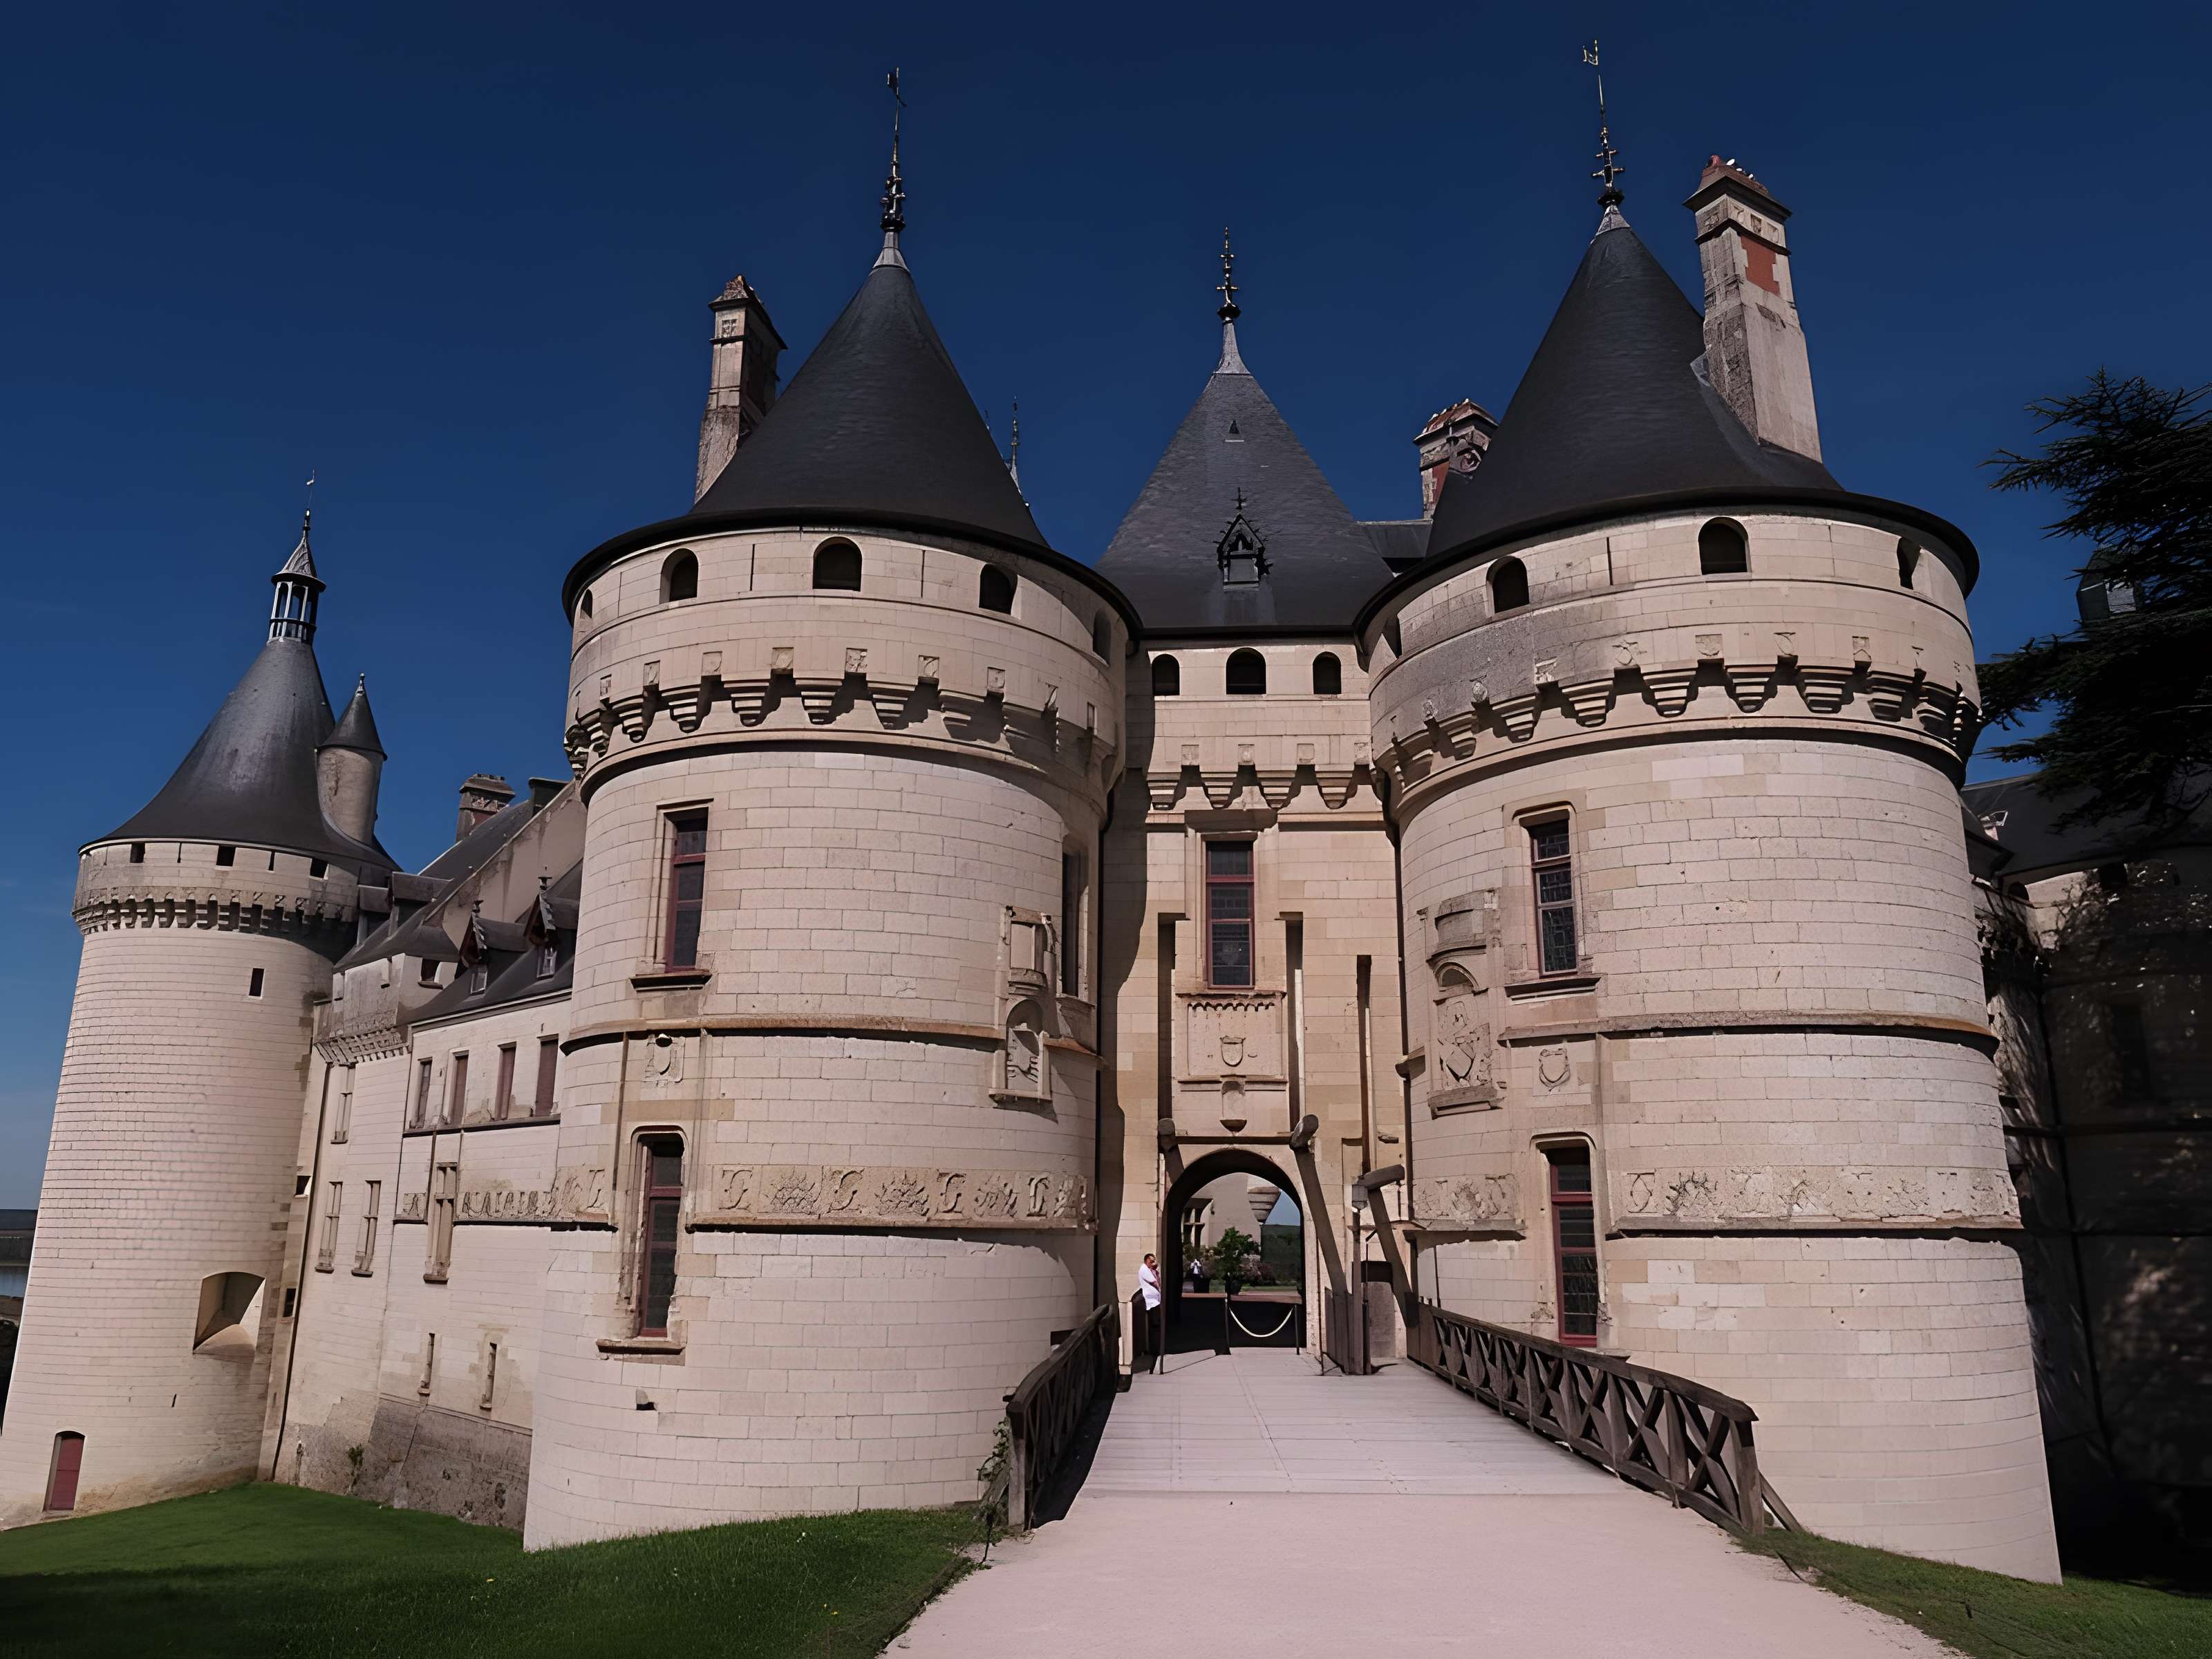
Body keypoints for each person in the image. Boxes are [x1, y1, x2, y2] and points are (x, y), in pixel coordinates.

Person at [1137, 1252, 1164, 1373]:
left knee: (1156, 1325)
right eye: (1151, 1261)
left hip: (1155, 1301)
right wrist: (1155, 1271)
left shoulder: (1150, 1270)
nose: (1153, 1263)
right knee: (1155, 1325)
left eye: (1154, 1261)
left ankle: (1155, 1348)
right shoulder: (1144, 1270)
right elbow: (1156, 1283)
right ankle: (1154, 1349)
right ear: (1146, 1261)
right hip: (1151, 1302)